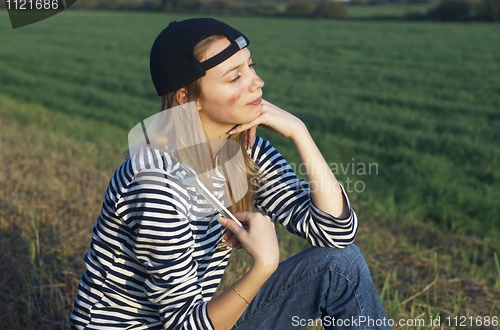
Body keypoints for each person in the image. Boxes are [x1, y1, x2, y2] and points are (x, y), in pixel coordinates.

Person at [70, 18, 390, 330]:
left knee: (341, 265)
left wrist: (300, 133)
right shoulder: (156, 187)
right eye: (234, 76)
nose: (257, 81)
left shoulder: (244, 151)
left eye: (250, 66)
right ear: (188, 99)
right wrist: (263, 266)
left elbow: (334, 233)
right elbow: (185, 325)